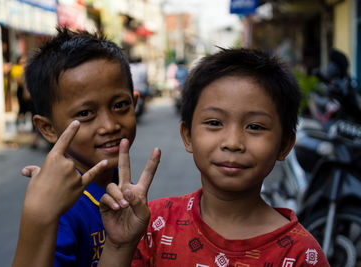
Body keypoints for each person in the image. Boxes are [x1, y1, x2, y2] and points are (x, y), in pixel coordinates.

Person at [98, 48, 330, 266]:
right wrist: (119, 246)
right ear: (188, 136)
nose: (232, 142)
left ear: (285, 145)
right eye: (214, 123)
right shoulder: (152, 223)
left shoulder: (301, 254)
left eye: (255, 127)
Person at [11, 27, 161, 267]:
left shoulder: (120, 186)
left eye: (120, 105)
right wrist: (38, 214)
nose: (109, 125)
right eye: (85, 113)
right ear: (47, 128)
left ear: (134, 104)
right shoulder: (61, 206)